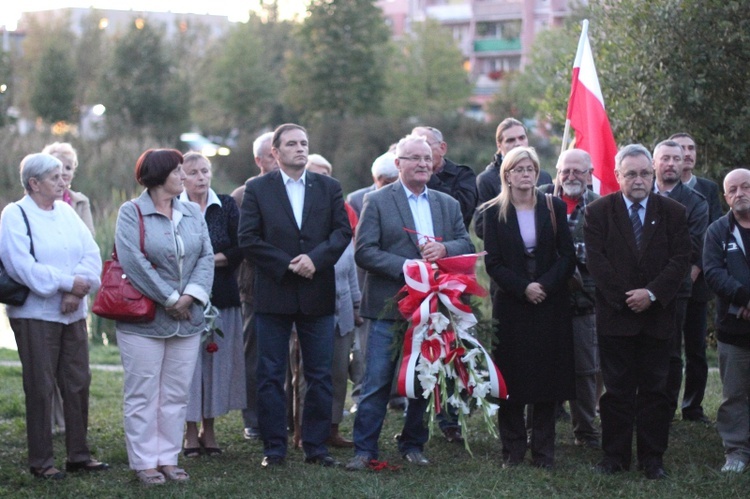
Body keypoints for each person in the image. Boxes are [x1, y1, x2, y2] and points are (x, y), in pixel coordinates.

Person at [345, 134, 474, 471]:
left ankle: (413, 443)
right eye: (414, 158)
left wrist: (445, 250)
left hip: (433, 307)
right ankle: (364, 449)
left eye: (426, 158)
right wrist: (408, 268)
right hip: (390, 305)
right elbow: (364, 251)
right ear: (398, 164)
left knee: (423, 379)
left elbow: (465, 242)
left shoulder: (447, 203)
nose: (422, 163)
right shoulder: (377, 201)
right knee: (377, 380)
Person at [237, 123, 351, 469]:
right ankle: (275, 447)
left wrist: (314, 260)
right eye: (292, 144)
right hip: (274, 292)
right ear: (275, 152)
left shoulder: (329, 187)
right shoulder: (257, 189)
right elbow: (248, 238)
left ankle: (316, 446)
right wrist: (287, 264)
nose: (300, 149)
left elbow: (342, 231)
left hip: (316, 291)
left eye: (304, 143)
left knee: (320, 373)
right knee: (271, 373)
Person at [584, 144, 691, 479]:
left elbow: (680, 260)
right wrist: (628, 298)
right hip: (617, 317)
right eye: (631, 173)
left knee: (655, 392)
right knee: (616, 392)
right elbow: (596, 263)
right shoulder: (599, 212)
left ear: (653, 173)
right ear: (618, 176)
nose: (640, 179)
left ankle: (652, 458)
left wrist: (652, 294)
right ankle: (614, 458)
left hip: (658, 318)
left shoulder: (673, 212)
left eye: (645, 172)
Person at [0, 153, 107, 479]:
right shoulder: (15, 215)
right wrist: (65, 283)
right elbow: (22, 267)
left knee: (77, 383)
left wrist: (77, 292)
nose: (64, 182)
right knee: (41, 386)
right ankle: (41, 462)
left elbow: (92, 253)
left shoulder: (65, 211)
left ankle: (78, 454)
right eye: (55, 177)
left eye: (64, 176)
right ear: (34, 183)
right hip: (35, 314)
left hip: (73, 314)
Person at [114, 148, 214, 485]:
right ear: (159, 176)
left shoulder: (190, 212)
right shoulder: (131, 213)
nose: (184, 177)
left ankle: (167, 459)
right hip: (143, 323)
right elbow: (133, 262)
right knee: (143, 393)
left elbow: (206, 257)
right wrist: (171, 298)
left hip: (187, 320)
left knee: (176, 393)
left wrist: (190, 298)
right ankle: (144, 463)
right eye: (178, 172)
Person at [480, 146, 576, 468]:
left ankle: (544, 452)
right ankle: (514, 450)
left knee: (547, 379)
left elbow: (567, 256)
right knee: (513, 381)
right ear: (507, 174)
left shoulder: (554, 206)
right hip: (512, 305)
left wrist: (544, 286)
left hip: (550, 303)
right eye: (519, 169)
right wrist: (523, 288)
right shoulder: (493, 212)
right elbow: (492, 262)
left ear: (537, 173)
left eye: (530, 169)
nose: (525, 174)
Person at [179, 152, 246, 457]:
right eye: (194, 172)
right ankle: (189, 433)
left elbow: (239, 248)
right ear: (181, 177)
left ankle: (210, 430)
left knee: (216, 365)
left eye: (205, 171)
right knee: (190, 367)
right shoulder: (174, 207)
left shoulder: (226, 205)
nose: (201, 177)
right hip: (187, 299)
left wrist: (205, 261)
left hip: (223, 297)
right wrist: (211, 261)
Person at [539, 149, 601, 449]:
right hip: (544, 299)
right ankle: (537, 429)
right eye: (566, 171)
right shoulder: (540, 201)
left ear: (590, 174)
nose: (572, 177)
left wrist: (566, 256)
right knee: (541, 366)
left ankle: (586, 432)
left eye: (579, 171)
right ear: (557, 171)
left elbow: (605, 254)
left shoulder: (602, 207)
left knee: (585, 371)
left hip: (586, 299)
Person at [305, 154, 362, 448]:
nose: (325, 177)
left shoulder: (342, 214)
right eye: (319, 173)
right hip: (309, 306)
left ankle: (332, 428)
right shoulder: (302, 217)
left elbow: (350, 263)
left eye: (329, 172)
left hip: (342, 307)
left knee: (339, 371)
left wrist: (355, 303)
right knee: (307, 374)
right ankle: (305, 431)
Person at [651, 140, 709, 422]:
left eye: (677, 158)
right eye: (666, 158)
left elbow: (692, 246)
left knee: (671, 352)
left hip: (675, 289)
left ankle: (666, 411)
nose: (672, 163)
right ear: (654, 164)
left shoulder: (696, 202)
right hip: (636, 288)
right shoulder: (638, 195)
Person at [42, 141, 95, 436]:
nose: (63, 174)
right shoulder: (31, 204)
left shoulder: (80, 202)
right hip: (44, 292)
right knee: (44, 364)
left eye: (69, 168)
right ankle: (47, 419)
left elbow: (88, 246)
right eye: (57, 168)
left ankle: (68, 423)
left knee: (74, 364)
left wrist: (75, 290)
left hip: (77, 291)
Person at [669, 131, 722, 423]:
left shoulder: (708, 189)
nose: (687, 153)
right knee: (668, 347)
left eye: (691, 148)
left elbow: (710, 234)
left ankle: (692, 406)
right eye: (680, 149)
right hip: (667, 286)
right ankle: (666, 403)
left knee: (696, 348)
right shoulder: (658, 189)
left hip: (697, 284)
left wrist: (695, 269)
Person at [703, 168, 750, 473]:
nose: (739, 193)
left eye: (745, 187)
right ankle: (736, 451)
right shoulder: (718, 231)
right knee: (734, 394)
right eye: (732, 190)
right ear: (725, 196)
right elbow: (712, 272)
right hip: (734, 329)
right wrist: (745, 299)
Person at [231, 131, 276, 441]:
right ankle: (254, 419)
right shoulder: (243, 195)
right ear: (259, 160)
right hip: (255, 285)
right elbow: (240, 244)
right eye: (272, 154)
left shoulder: (302, 188)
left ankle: (284, 415)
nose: (280, 158)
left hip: (296, 284)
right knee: (256, 353)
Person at [475, 118, 552, 239]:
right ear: (499, 145)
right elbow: (481, 228)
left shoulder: (543, 177)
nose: (518, 143)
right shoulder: (487, 180)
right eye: (510, 140)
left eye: (522, 138)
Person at [412, 126, 477, 230]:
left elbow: (462, 211)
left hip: (452, 242)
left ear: (442, 148)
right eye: (414, 147)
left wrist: (430, 177)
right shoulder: (408, 178)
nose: (419, 152)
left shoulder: (463, 175)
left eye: (425, 145)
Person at [41, 142, 95, 234]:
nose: (64, 172)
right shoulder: (37, 200)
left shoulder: (81, 201)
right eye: (59, 167)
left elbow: (89, 236)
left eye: (68, 168)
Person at [346, 151, 399, 217]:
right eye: (386, 183)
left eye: (395, 183)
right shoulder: (356, 200)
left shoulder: (407, 197)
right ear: (375, 178)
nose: (391, 187)